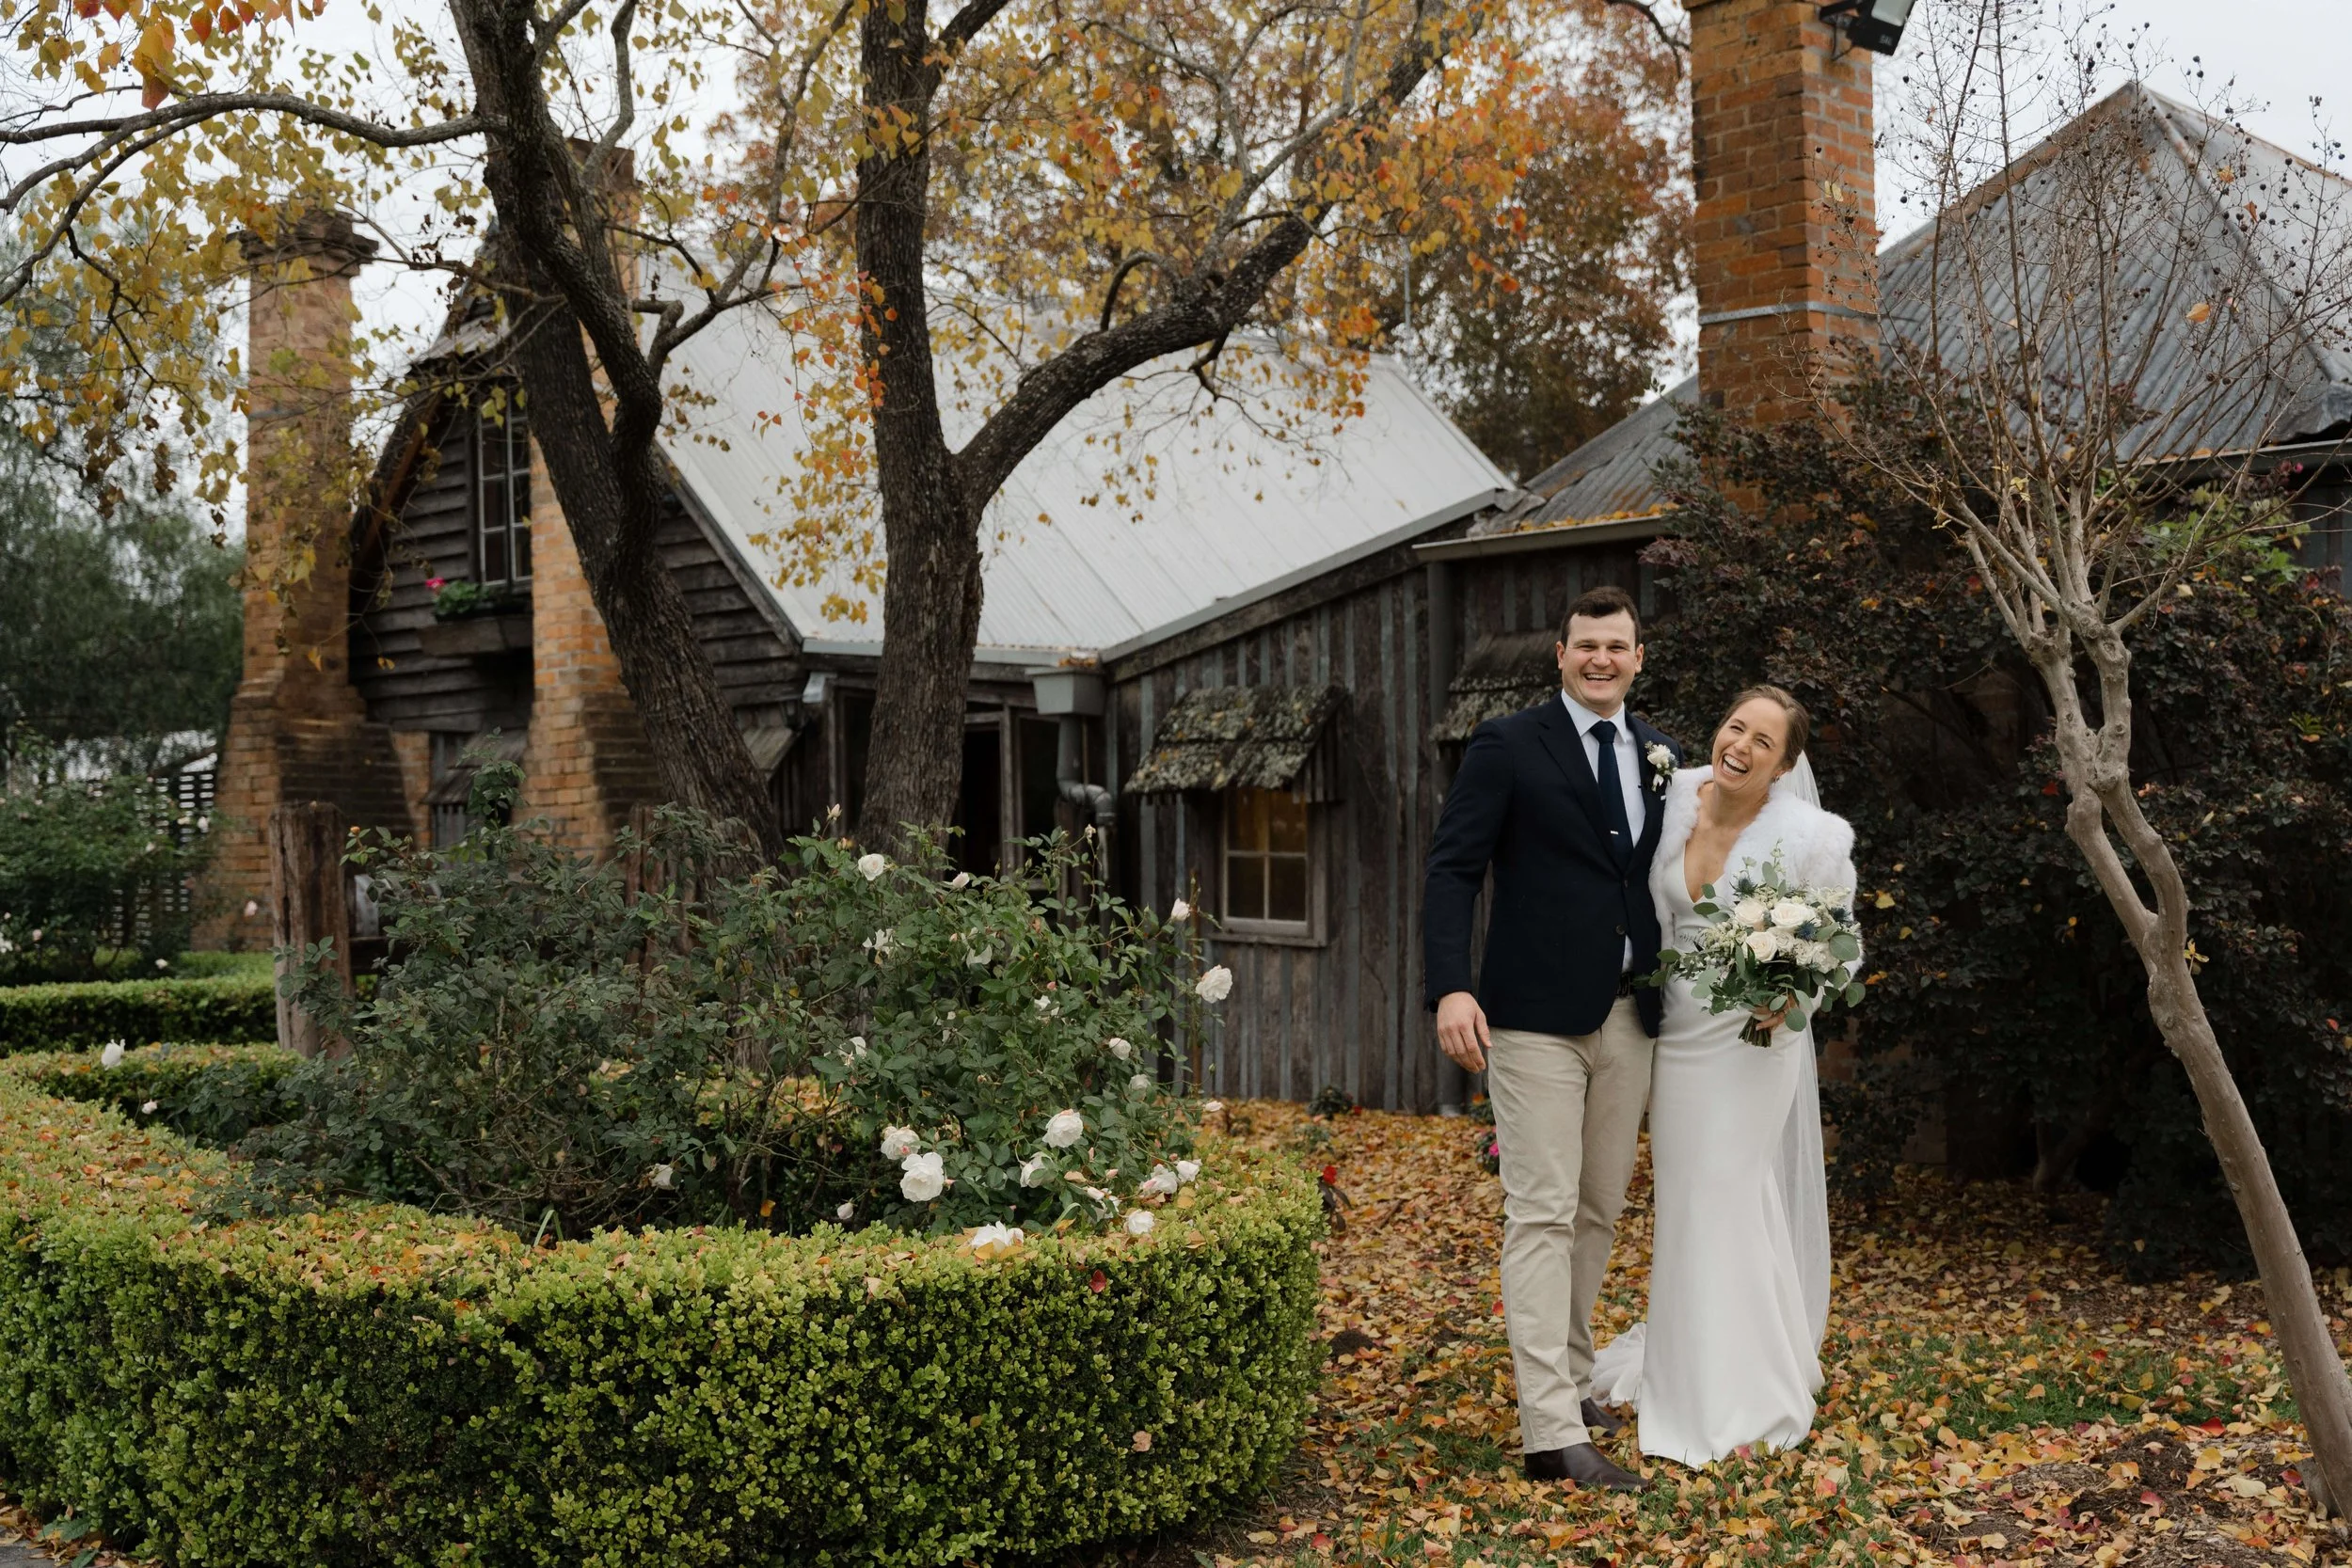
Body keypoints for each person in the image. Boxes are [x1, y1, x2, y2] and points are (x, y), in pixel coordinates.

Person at [1422, 584, 1680, 1491]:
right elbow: (1452, 868)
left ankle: (1570, 1378)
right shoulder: (1507, 744)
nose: (1601, 658)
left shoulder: (1660, 755)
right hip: (1530, 1018)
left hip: (1629, 1014)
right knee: (1540, 1211)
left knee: (1598, 1208)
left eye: (1618, 645)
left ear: (1638, 657)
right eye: (1586, 646)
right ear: (1561, 655)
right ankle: (1549, 1431)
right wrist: (1451, 984)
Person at [1585, 685, 1854, 1465]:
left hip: (1751, 1043)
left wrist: (1793, 990)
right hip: (1678, 1036)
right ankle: (1694, 1361)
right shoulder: (1671, 803)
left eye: (1762, 741)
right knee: (1688, 1200)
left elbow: (1842, 948)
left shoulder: (1810, 836)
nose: (1739, 744)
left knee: (1727, 1192)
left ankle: (1743, 1388)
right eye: (1735, 725)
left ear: (1785, 764)